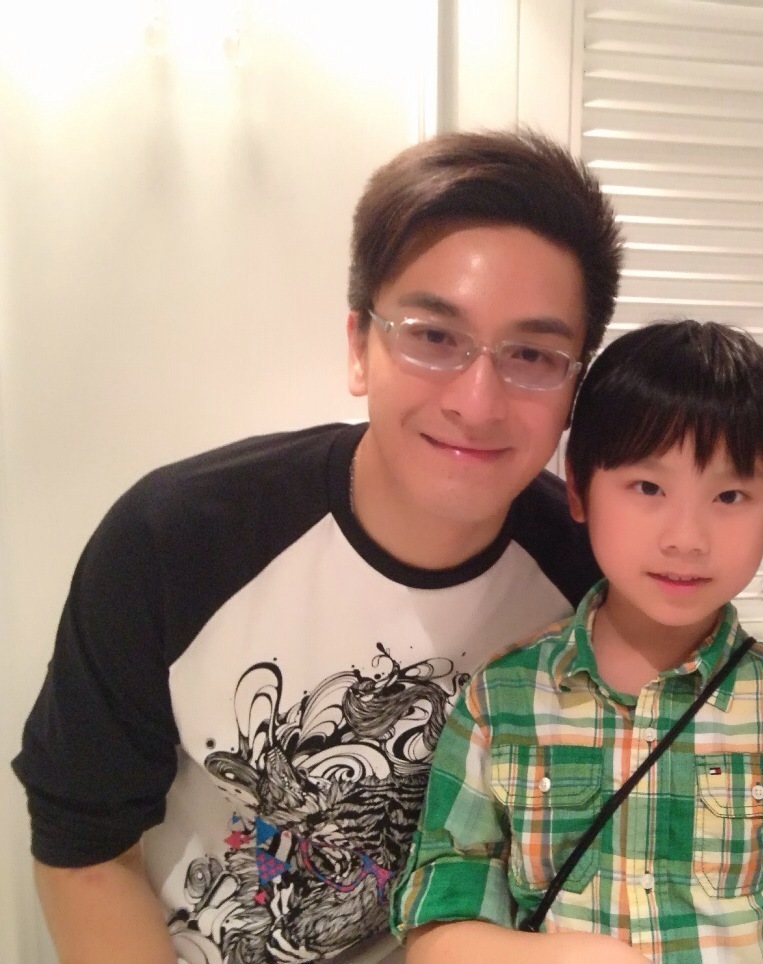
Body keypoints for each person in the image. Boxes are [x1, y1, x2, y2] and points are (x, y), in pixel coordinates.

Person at [13, 129, 622, 964]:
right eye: (433, 336)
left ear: (574, 388)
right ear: (358, 346)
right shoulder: (176, 540)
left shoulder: (597, 580)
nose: (477, 403)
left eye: (532, 355)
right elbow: (84, 849)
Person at [390, 320, 763, 964]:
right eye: (648, 488)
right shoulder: (502, 700)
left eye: (730, 495)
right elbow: (435, 927)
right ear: (578, 488)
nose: (686, 538)